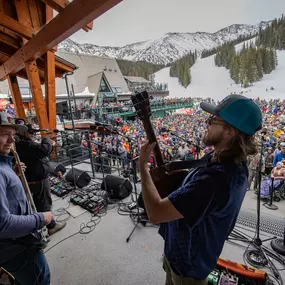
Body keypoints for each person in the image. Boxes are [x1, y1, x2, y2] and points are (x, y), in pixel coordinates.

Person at [139, 95, 262, 285]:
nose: (207, 123)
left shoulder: (216, 180)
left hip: (187, 267)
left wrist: (143, 168)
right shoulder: (228, 161)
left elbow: (155, 213)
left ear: (229, 131)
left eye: (213, 120)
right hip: (187, 255)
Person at [0, 112, 52, 284]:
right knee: (40, 279)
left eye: (13, 135)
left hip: (15, 245)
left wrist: (12, 174)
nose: (11, 141)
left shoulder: (4, 164)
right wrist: (41, 218)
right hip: (19, 249)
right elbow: (3, 224)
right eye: (5, 135)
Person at [16, 124, 66, 236]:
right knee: (44, 203)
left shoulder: (21, 144)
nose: (33, 134)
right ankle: (51, 226)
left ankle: (44, 222)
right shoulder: (26, 145)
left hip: (32, 178)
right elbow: (44, 150)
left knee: (39, 203)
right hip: (39, 180)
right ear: (23, 133)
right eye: (31, 132)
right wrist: (46, 139)